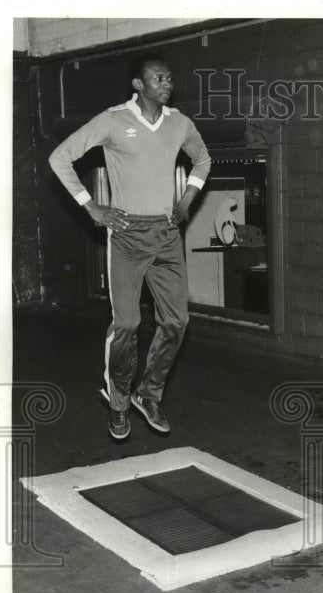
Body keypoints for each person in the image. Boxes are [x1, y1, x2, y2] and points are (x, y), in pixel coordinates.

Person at [49, 55, 211, 440]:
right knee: (127, 324)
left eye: (170, 77)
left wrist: (186, 201)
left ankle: (147, 394)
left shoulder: (179, 124)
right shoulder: (113, 120)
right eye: (159, 78)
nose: (167, 84)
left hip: (167, 233)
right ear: (138, 85)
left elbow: (202, 160)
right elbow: (60, 158)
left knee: (176, 322)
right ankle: (119, 403)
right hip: (126, 233)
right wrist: (92, 207)